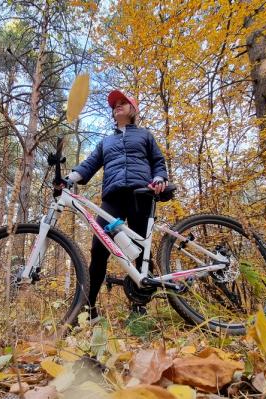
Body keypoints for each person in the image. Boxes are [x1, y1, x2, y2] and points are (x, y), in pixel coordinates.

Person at [60, 89, 168, 322]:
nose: (117, 106)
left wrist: (159, 178)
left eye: (123, 102)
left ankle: (139, 309)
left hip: (142, 194)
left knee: (141, 252)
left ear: (133, 109)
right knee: (99, 250)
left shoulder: (145, 136)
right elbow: (88, 166)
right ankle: (88, 309)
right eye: (114, 104)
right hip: (112, 198)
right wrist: (68, 180)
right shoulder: (105, 142)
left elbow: (158, 162)